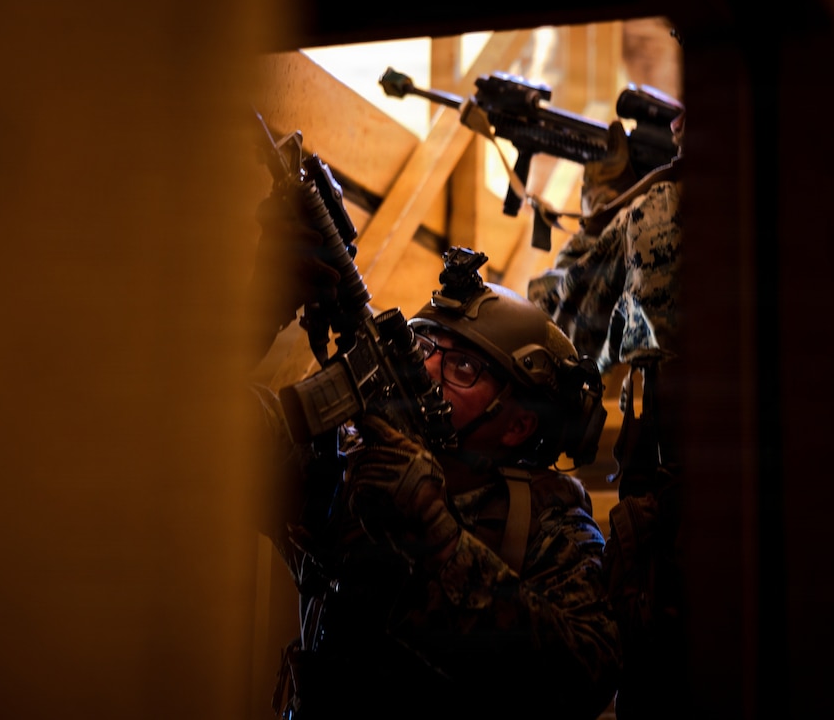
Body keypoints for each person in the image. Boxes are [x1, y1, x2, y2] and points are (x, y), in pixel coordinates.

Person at [248, 187, 622, 719]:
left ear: (518, 425)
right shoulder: (348, 468)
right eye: (425, 348)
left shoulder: (546, 523)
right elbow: (193, 433)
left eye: (462, 368)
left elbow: (587, 672)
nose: (426, 371)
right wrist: (252, 317)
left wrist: (437, 535)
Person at [528, 86, 689, 719]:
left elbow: (553, 319)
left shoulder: (665, 205)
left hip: (674, 525)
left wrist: (603, 196)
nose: (677, 119)